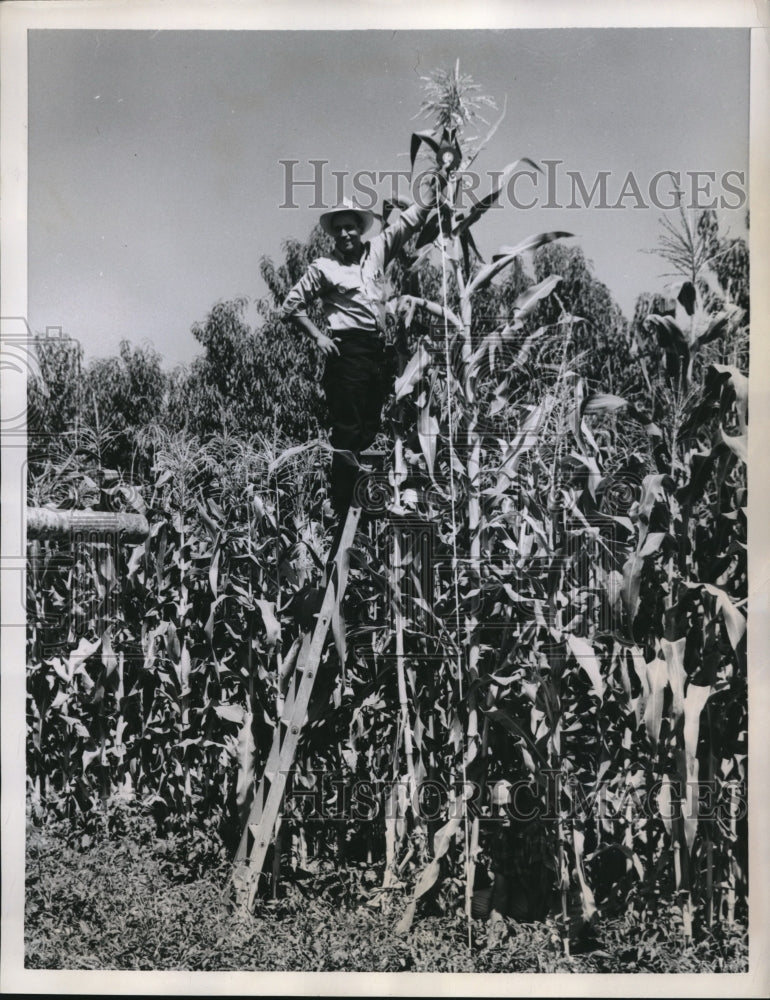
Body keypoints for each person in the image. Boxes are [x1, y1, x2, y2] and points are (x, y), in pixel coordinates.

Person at [281, 171, 444, 519]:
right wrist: (319, 336)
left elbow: (410, 222)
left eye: (349, 227)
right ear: (333, 235)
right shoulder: (324, 268)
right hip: (347, 350)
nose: (344, 234)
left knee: (371, 425)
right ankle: (341, 504)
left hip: (377, 351)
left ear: (359, 229)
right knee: (348, 428)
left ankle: (357, 492)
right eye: (338, 229)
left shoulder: (376, 252)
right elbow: (290, 306)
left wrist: (435, 188)